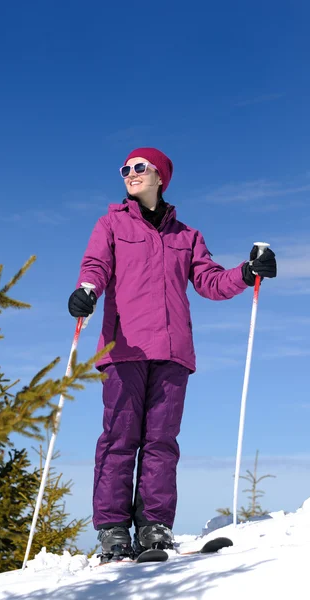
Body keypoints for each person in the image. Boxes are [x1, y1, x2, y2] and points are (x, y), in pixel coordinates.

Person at [67, 147, 277, 562]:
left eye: (139, 168)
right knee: (118, 439)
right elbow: (95, 265)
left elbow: (210, 281)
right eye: (125, 169)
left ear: (160, 176)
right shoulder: (111, 223)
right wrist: (87, 290)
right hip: (123, 348)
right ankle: (112, 530)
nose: (130, 173)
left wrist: (247, 272)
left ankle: (154, 527)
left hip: (172, 351)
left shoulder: (187, 236)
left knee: (162, 441)